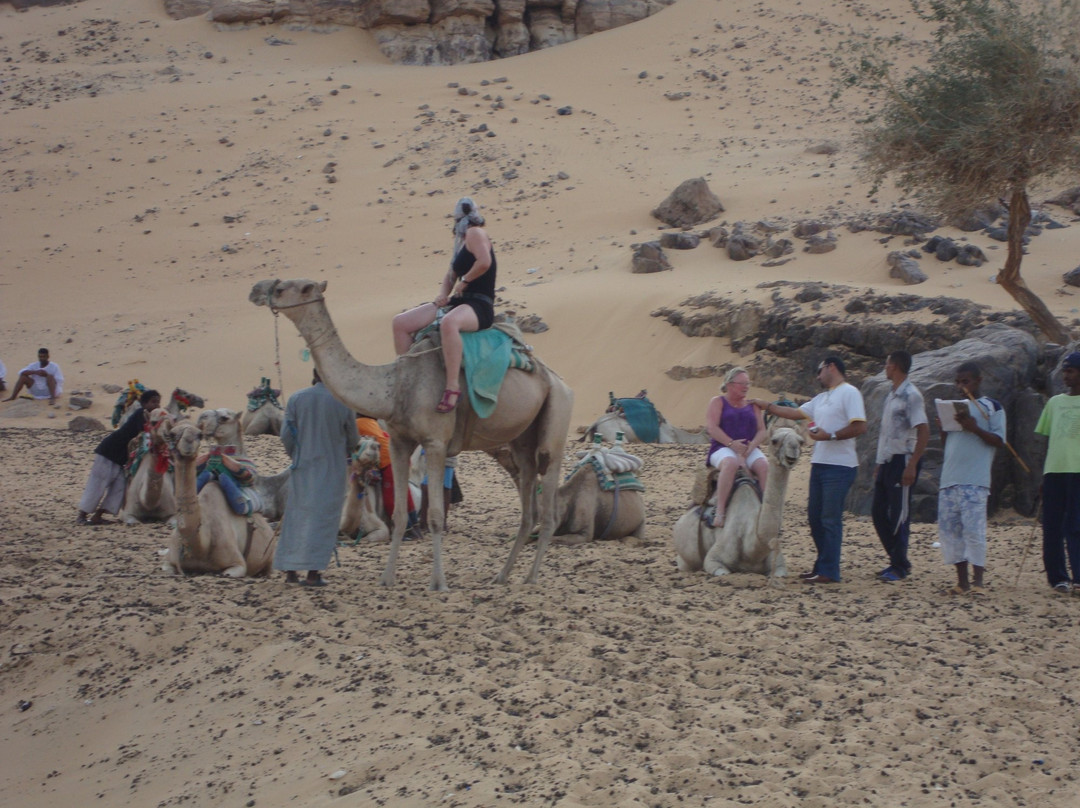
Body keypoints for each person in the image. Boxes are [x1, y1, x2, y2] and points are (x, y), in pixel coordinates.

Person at [752, 356, 867, 583]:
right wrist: (766, 406)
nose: (817, 376)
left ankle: (829, 571)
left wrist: (830, 436)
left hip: (840, 465)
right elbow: (795, 413)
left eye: (819, 370)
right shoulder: (821, 398)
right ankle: (821, 565)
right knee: (815, 517)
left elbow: (860, 425)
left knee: (830, 518)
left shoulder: (850, 392)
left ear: (831, 367)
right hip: (820, 464)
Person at [391, 196, 497, 413]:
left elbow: (484, 262)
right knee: (400, 323)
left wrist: (465, 281)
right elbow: (451, 275)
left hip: (479, 304)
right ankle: (408, 376)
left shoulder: (475, 233)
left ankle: (452, 388)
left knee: (450, 323)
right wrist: (442, 295)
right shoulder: (460, 243)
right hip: (458, 302)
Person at [274, 369, 358, 587]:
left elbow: (286, 435)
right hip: (332, 469)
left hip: (303, 467)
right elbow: (353, 438)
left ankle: (290, 571)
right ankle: (313, 574)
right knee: (323, 520)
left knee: (296, 516)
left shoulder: (296, 398)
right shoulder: (343, 402)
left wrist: (297, 455)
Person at [937, 361, 1005, 595]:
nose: (961, 386)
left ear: (978, 381)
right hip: (950, 478)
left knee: (974, 531)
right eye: (958, 382)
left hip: (975, 480)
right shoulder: (955, 407)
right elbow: (949, 445)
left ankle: (978, 582)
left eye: (965, 381)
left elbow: (999, 441)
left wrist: (975, 428)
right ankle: (961, 582)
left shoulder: (991, 407)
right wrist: (943, 430)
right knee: (951, 532)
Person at [872, 350, 929, 583]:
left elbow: (923, 430)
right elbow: (885, 433)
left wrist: (912, 464)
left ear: (894, 366)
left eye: (887, 364)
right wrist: (878, 463)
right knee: (878, 512)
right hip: (887, 459)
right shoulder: (892, 394)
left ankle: (899, 565)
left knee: (899, 515)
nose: (885, 368)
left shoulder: (911, 395)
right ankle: (898, 559)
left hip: (903, 459)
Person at [77, 389, 161, 525]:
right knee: (98, 484)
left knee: (119, 486)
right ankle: (82, 515)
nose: (157, 405)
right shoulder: (141, 415)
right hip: (109, 451)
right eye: (153, 402)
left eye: (158, 402)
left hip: (120, 458)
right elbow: (144, 435)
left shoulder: (149, 418)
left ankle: (98, 515)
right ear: (144, 403)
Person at [1034, 351, 1080, 594]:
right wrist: (1043, 473)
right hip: (1055, 471)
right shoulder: (1055, 403)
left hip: (1078, 471)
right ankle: (1057, 577)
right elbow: (1047, 440)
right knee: (1051, 526)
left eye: (1070, 371)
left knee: (1075, 525)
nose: (1065, 375)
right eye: (1064, 370)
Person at [704, 367, 768, 528]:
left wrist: (751, 446)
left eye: (748, 383)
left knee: (764, 466)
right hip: (722, 447)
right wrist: (732, 444)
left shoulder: (753, 406)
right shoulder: (718, 402)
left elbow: (762, 430)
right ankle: (720, 511)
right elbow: (712, 428)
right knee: (730, 463)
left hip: (749, 448)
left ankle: (766, 510)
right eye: (742, 383)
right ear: (730, 384)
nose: (746, 387)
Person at [355, 413, 420, 538]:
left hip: (390, 462)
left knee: (389, 498)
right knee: (405, 493)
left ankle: (404, 529)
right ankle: (414, 527)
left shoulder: (358, 424)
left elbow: (353, 443)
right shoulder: (372, 423)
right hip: (400, 458)